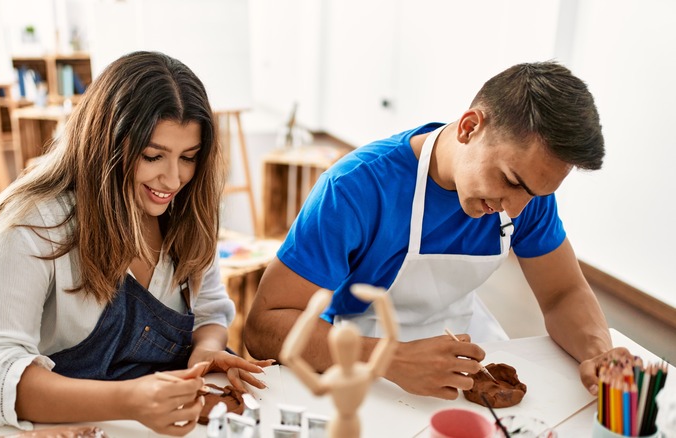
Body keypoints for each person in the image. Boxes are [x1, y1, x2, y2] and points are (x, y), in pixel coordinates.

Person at [245, 61, 632, 400]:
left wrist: (599, 354)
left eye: (535, 193)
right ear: (469, 127)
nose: (514, 208)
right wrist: (390, 358)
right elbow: (265, 325)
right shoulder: (355, 189)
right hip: (359, 360)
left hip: (467, 348)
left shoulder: (527, 194)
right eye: (510, 181)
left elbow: (563, 292)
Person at [0, 51, 272, 436]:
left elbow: (209, 313)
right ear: (105, 145)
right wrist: (130, 400)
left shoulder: (187, 214)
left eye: (188, 158)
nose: (173, 180)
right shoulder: (32, 224)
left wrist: (204, 351)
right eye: (153, 156)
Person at [280, 284, 398, 438]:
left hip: (339, 426)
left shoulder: (333, 379)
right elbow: (391, 339)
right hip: (354, 425)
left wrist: (311, 313)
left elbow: (289, 356)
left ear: (333, 349)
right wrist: (381, 299)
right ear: (357, 347)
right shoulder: (367, 373)